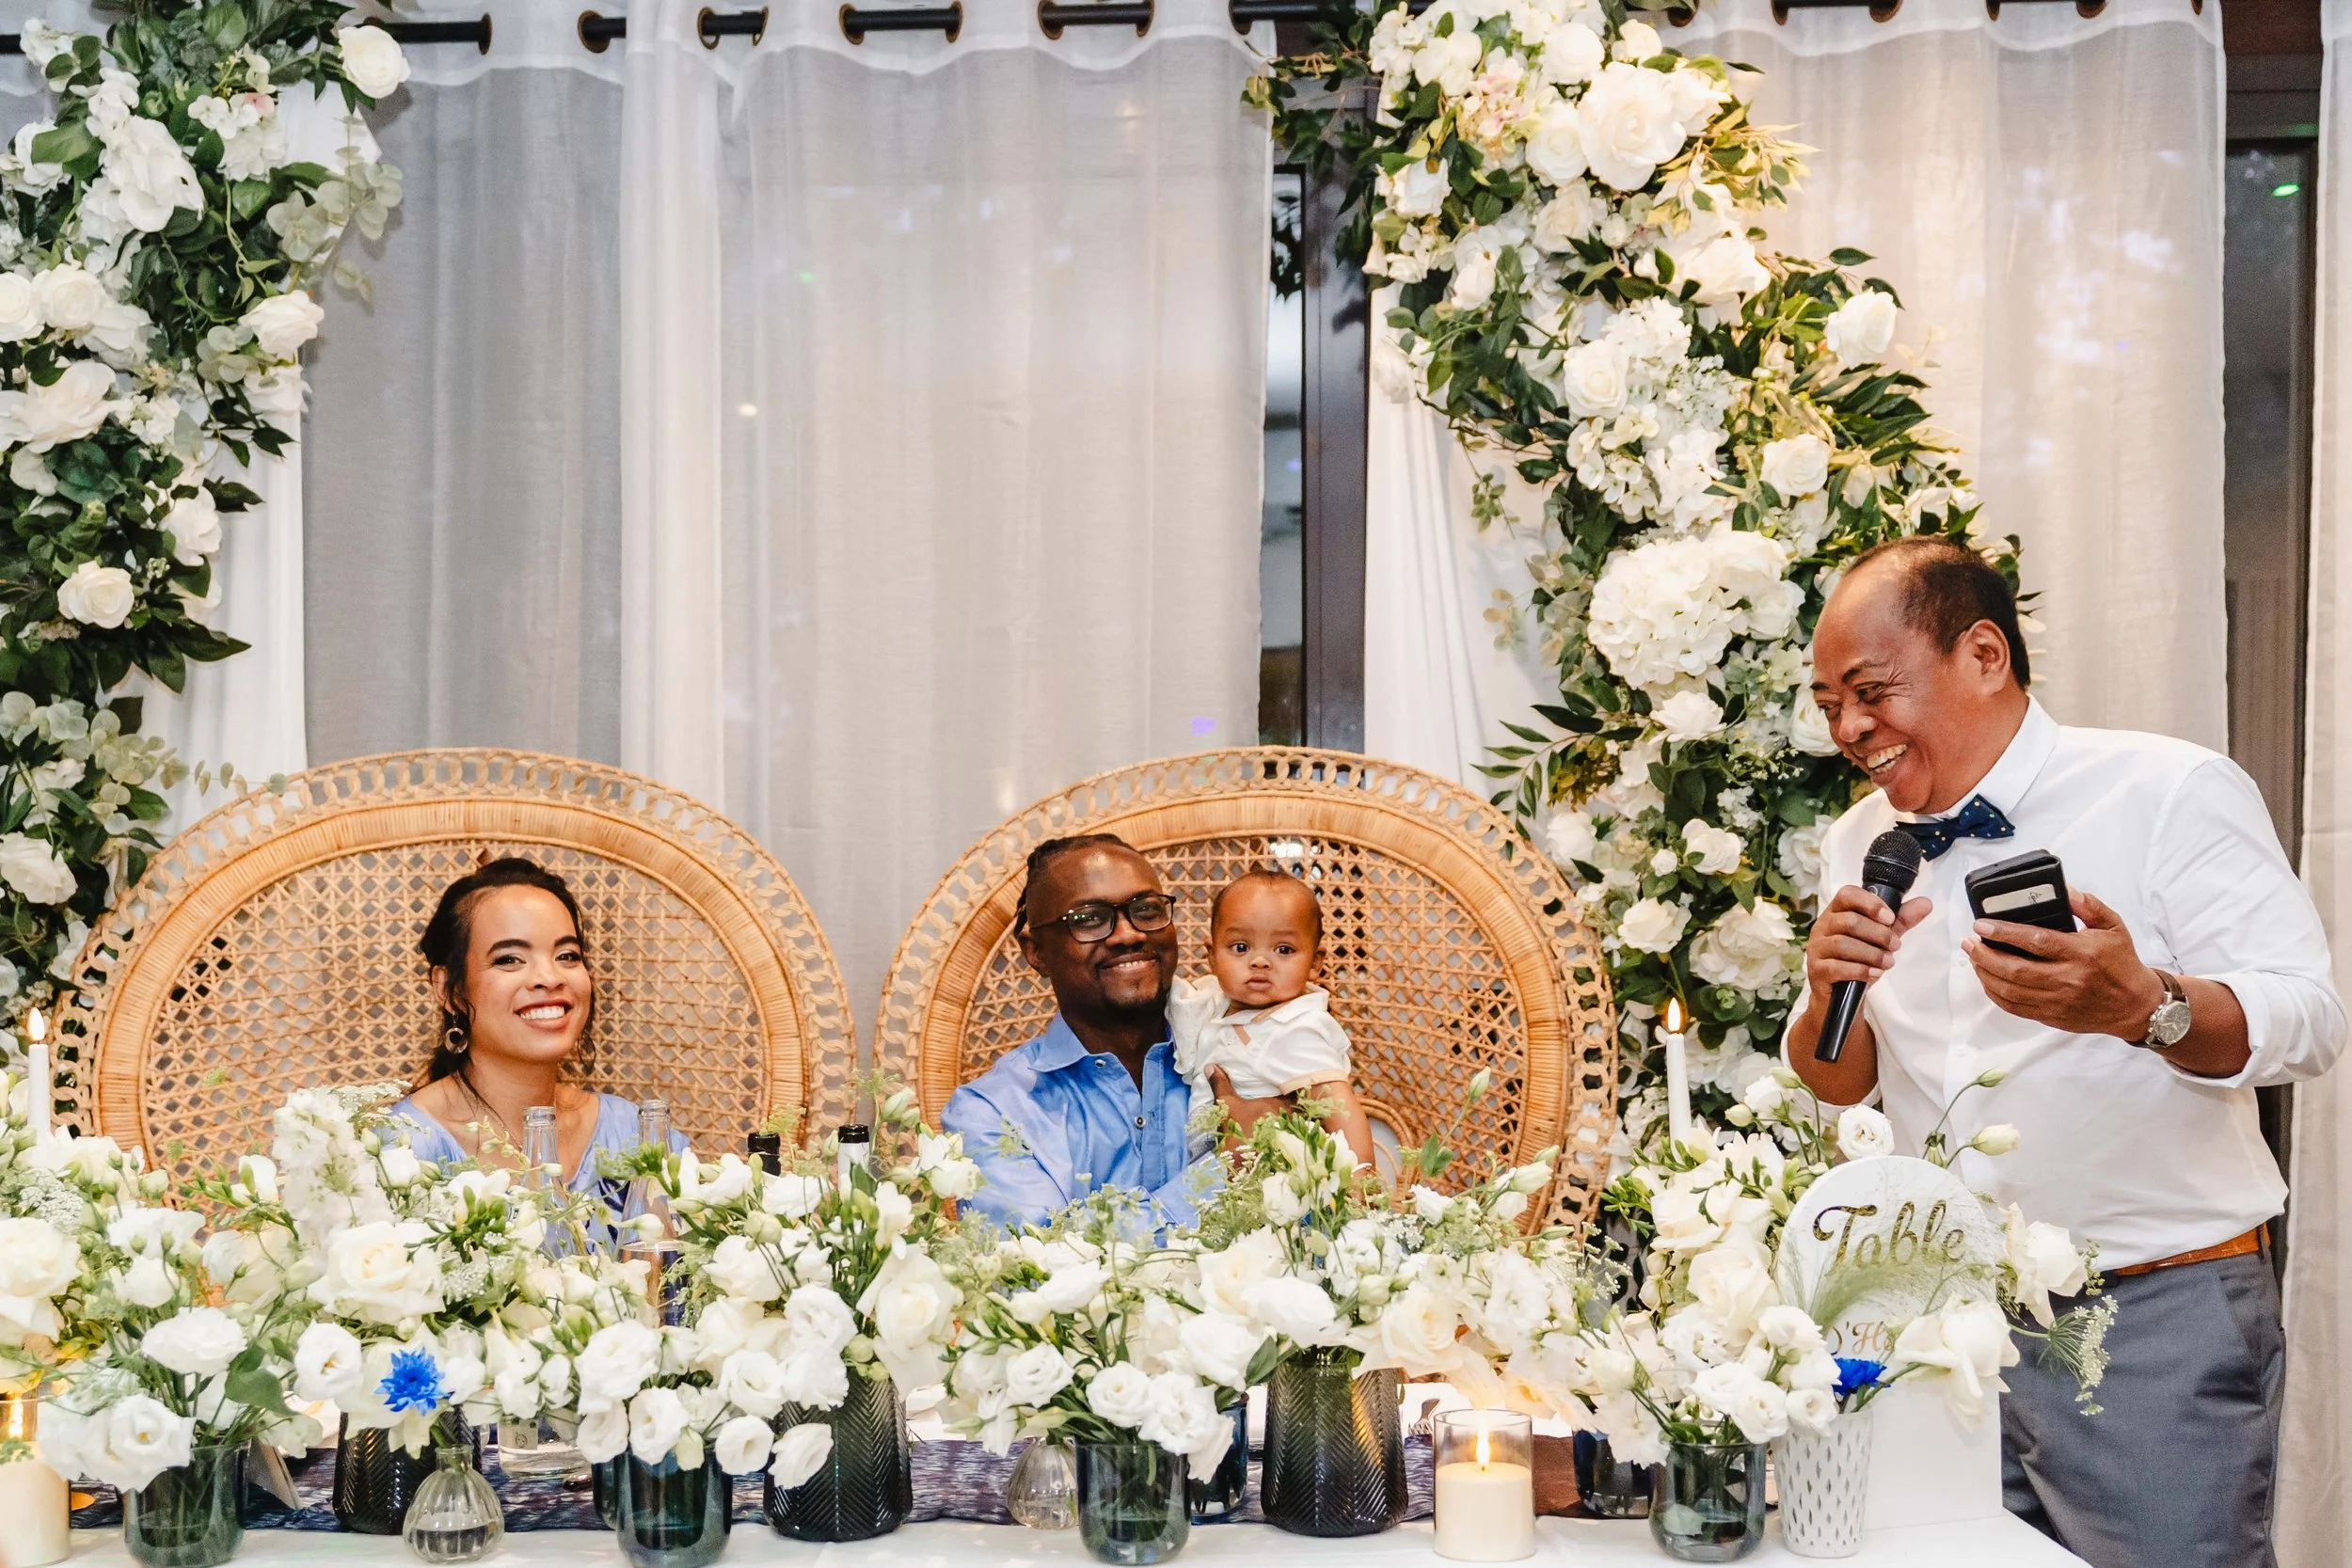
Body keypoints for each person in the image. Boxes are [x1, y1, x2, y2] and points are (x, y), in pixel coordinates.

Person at [1784, 537, 2344, 1568]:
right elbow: (1840, 1075)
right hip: (1941, 1326)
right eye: (1828, 704)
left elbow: (2308, 1017)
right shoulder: (1859, 837)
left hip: (2149, 1319)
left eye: (1870, 690)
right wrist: (1826, 988)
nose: (1850, 727)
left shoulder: (2166, 788)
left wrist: (2146, 1006)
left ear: (1984, 654)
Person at [941, 834, 1294, 1229]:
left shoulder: (1256, 1057)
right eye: (1088, 918)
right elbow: (1034, 1264)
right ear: (1036, 951)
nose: (1128, 934)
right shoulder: (992, 1112)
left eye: (1145, 909)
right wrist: (1224, 1172)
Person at [390, 857, 684, 1216]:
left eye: (567, 955)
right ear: (448, 989)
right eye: (509, 959)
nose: (549, 977)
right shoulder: (405, 1151)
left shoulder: (632, 1132)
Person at [1168, 867, 1375, 1164]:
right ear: (1212, 957)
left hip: (1266, 1171)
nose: (1261, 961)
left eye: (1284, 949)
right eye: (1241, 947)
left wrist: (1361, 1177)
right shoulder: (1217, 1002)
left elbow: (1339, 1107)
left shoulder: (1295, 1027)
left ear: (1315, 963)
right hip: (1215, 1165)